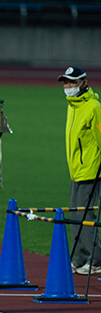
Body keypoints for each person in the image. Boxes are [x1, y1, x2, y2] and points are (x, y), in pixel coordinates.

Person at [58, 66, 101, 275]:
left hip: (91, 171)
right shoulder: (72, 106)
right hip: (75, 171)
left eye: (72, 82)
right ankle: (80, 258)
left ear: (84, 83)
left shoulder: (93, 107)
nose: (68, 87)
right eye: (66, 83)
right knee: (75, 216)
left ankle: (96, 260)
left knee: (86, 217)